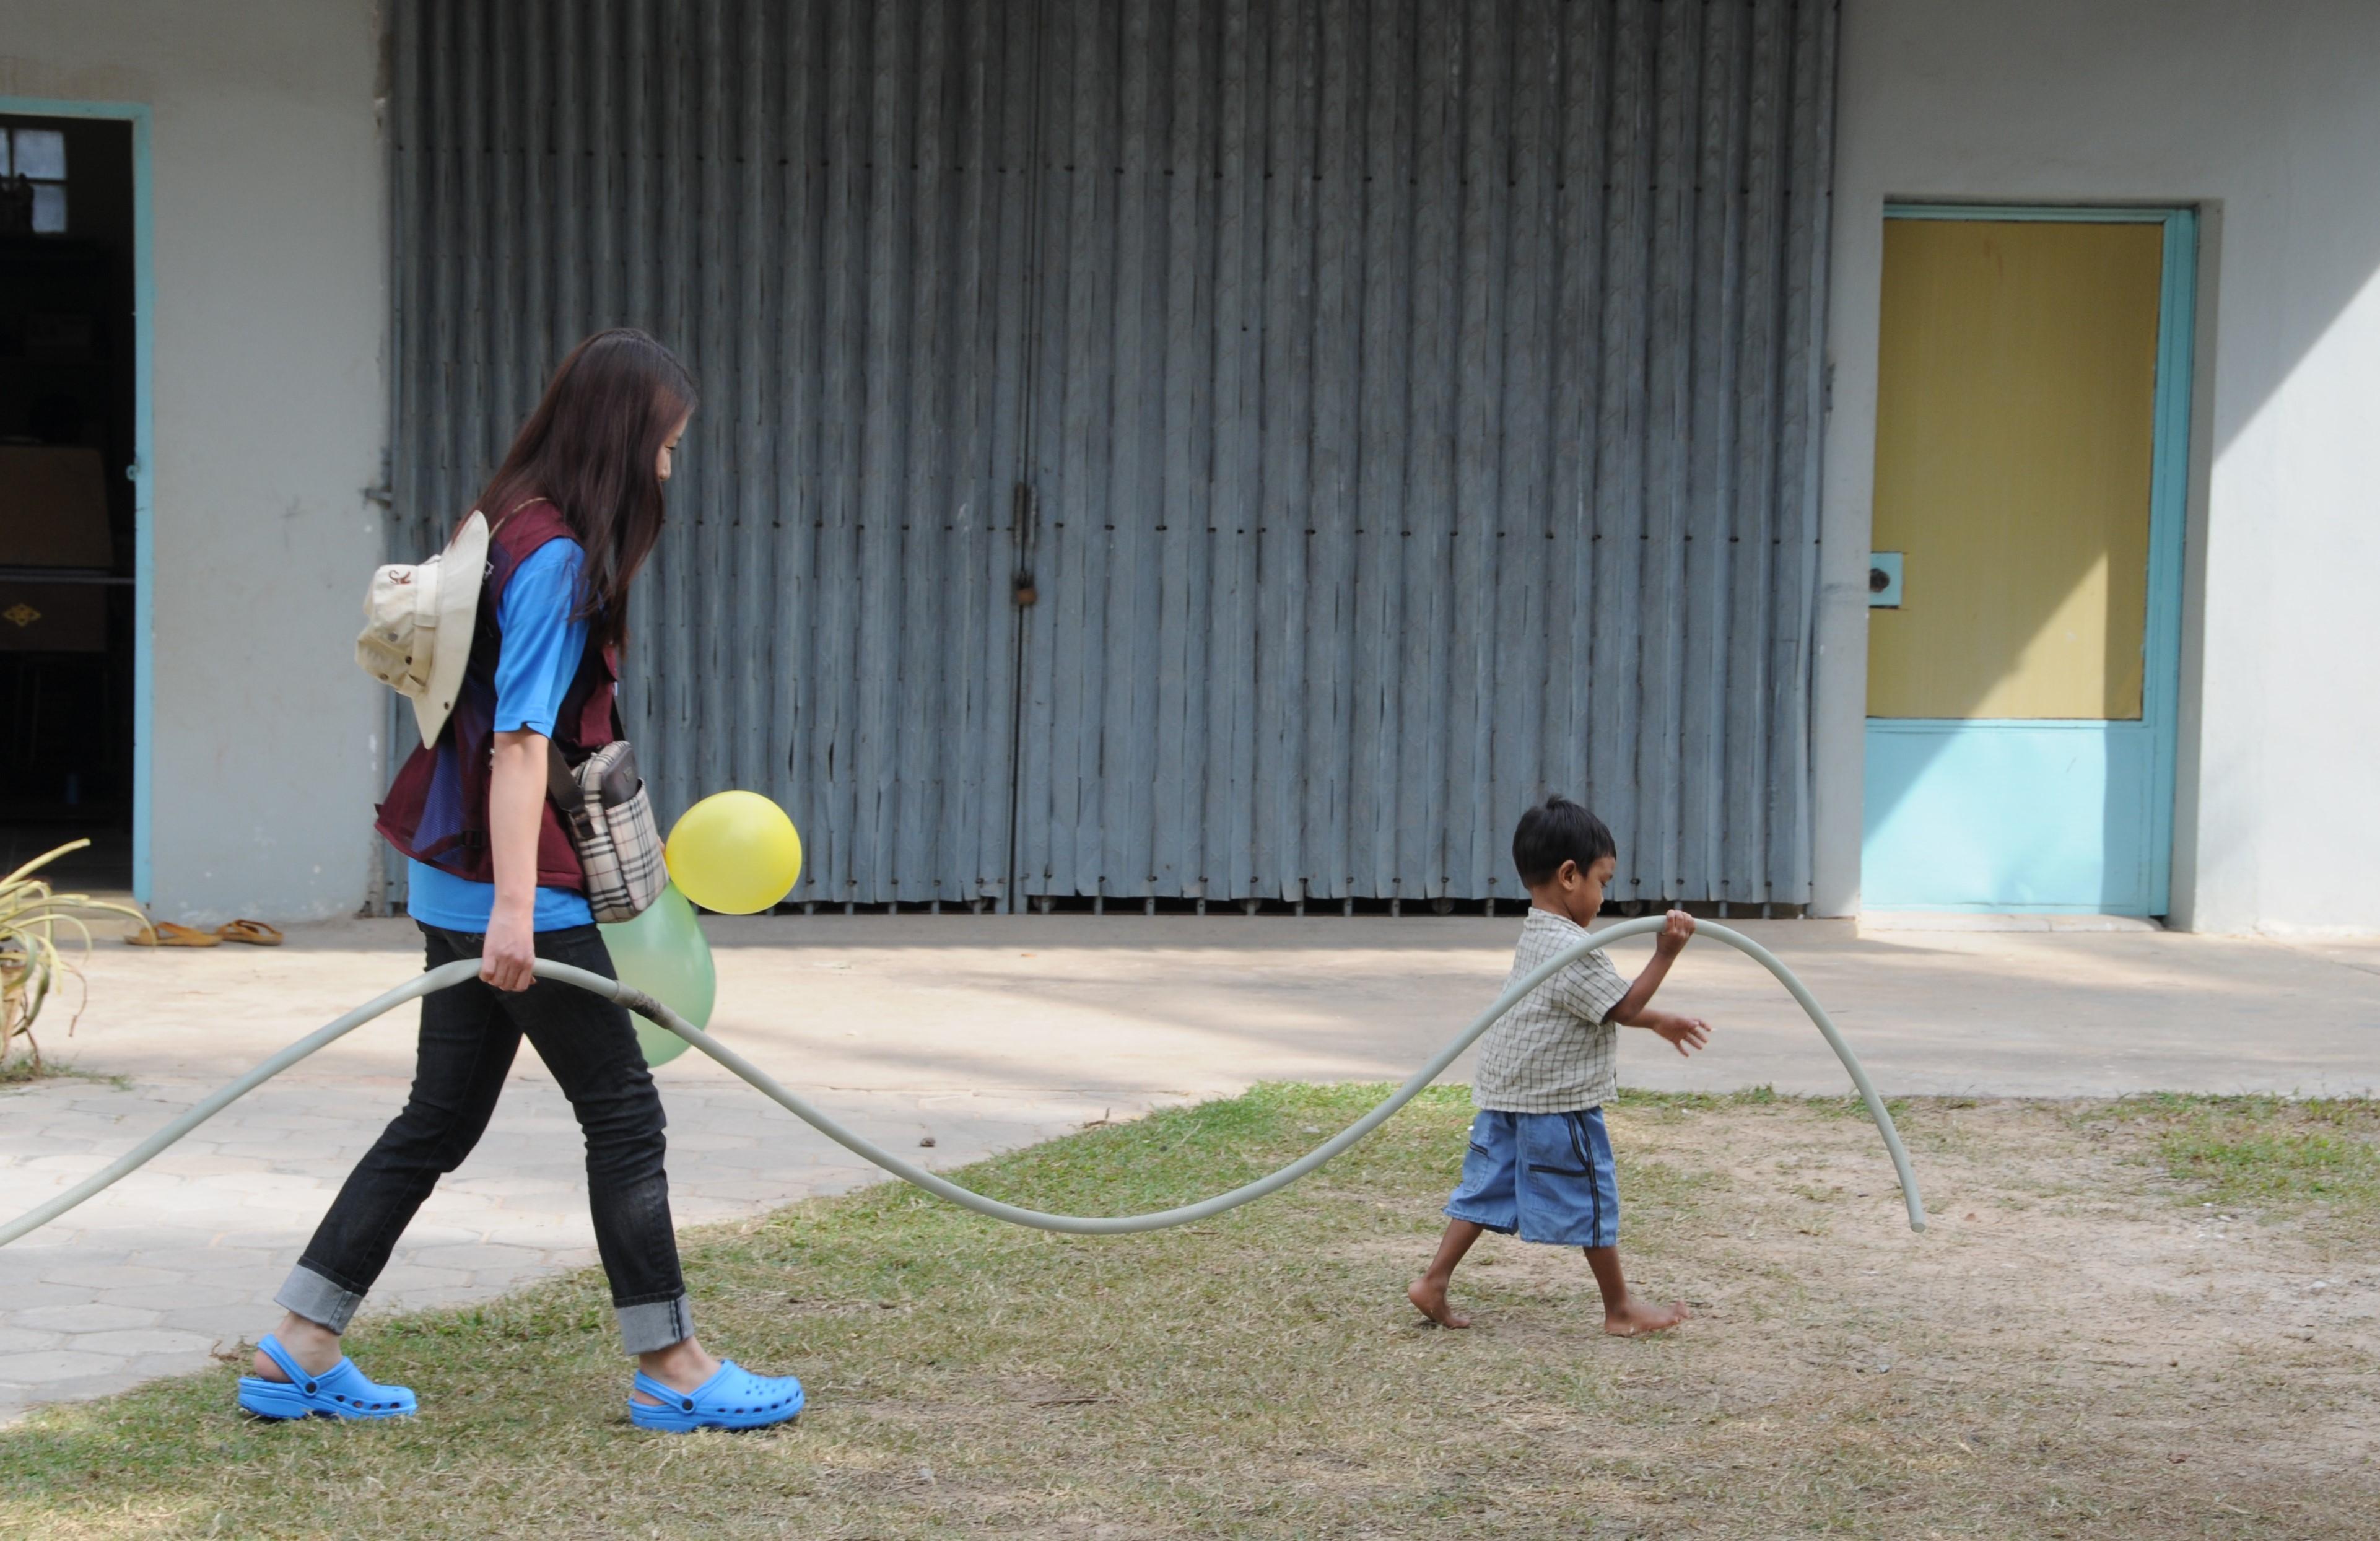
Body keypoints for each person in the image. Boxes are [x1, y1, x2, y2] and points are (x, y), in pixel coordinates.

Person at [238, 329, 804, 1433]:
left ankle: (298, 1344)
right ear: (621, 439)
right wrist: (514, 910)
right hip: (518, 893)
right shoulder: (553, 558)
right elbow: (517, 741)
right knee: (624, 1117)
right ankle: (674, 1365)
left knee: (435, 1120)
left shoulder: (498, 518)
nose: (667, 470)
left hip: (452, 878)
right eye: (665, 445)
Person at [1407, 795, 1712, 1337]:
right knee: (1590, 1192)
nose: (1603, 896)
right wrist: (1665, 953)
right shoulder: (1572, 947)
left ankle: (1434, 1280)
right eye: (1602, 880)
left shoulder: (1539, 933)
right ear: (1569, 875)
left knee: (1489, 1185)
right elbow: (1618, 1006)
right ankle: (1619, 1310)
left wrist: (1658, 1020)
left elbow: (1586, 1007)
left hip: (1509, 1089)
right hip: (1554, 1097)